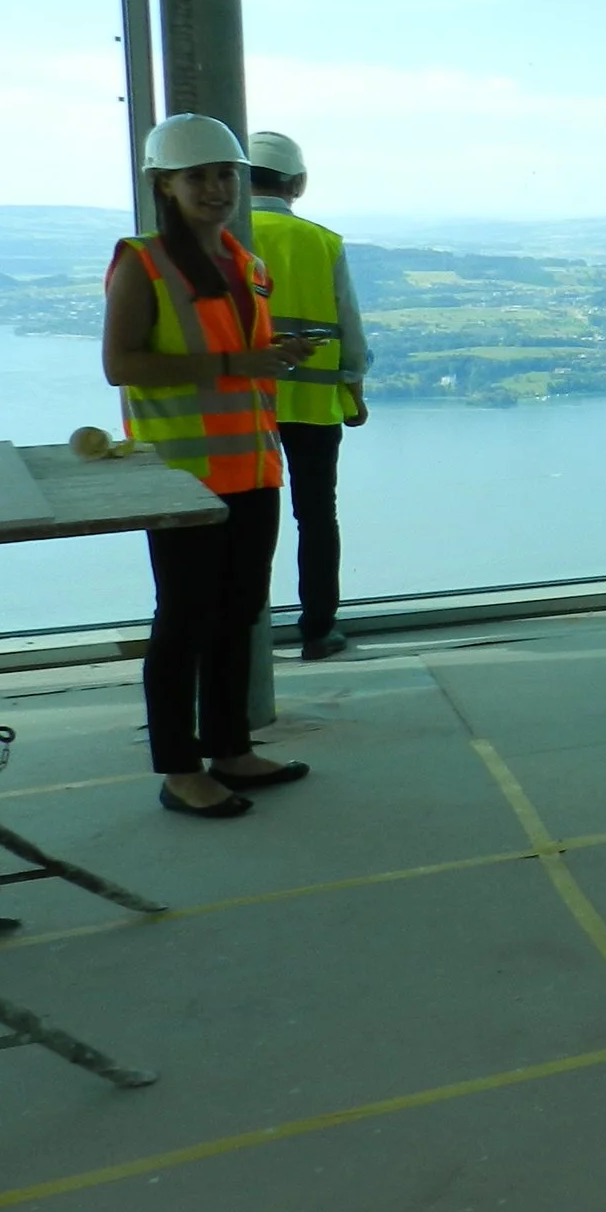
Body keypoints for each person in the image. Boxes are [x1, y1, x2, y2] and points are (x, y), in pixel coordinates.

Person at [103, 114, 318, 817]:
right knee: (185, 621)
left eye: (226, 174)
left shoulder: (244, 264)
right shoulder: (143, 262)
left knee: (239, 614)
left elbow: (236, 360)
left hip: (253, 469)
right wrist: (239, 361)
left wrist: (270, 354)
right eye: (197, 176)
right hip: (182, 478)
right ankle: (179, 768)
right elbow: (122, 364)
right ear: (164, 185)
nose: (217, 187)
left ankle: (229, 748)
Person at [246, 131, 368, 661]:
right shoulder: (323, 242)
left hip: (243, 407)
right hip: (314, 406)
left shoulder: (226, 238)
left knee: (248, 522)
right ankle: (318, 630)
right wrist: (354, 389)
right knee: (316, 517)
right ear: (297, 183)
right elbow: (349, 327)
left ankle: (244, 638)